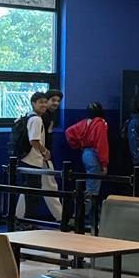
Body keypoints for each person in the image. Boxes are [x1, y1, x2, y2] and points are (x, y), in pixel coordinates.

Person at [18, 90, 64, 222]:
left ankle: (19, 216)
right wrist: (45, 152)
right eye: (52, 100)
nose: (55, 103)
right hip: (38, 158)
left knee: (29, 188)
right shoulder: (40, 118)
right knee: (48, 187)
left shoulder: (31, 116)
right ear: (34, 103)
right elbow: (35, 140)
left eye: (58, 101)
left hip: (31, 158)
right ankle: (60, 217)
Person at [65, 103, 109, 228]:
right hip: (94, 154)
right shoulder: (100, 123)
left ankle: (87, 215)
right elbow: (101, 144)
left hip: (85, 153)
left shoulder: (85, 122)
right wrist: (104, 163)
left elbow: (69, 132)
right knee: (93, 188)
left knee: (91, 186)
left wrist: (78, 145)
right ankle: (83, 217)